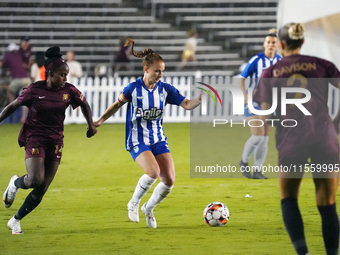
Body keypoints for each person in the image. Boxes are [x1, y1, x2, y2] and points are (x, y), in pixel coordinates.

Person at [94, 39, 203, 228]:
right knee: (153, 172)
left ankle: (149, 208)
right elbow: (116, 105)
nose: (160, 75)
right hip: (137, 139)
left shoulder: (165, 89)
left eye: (162, 71)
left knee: (169, 180)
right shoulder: (133, 89)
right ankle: (133, 203)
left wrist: (198, 100)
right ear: (146, 69)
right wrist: (101, 120)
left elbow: (186, 104)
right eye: (157, 71)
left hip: (158, 139)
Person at [255, 23, 340, 255]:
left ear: (281, 44)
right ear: (302, 42)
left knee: (289, 199)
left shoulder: (271, 72)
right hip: (325, 137)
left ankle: (303, 254)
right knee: (327, 203)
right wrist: (337, 123)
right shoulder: (322, 64)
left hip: (292, 140)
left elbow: (264, 114)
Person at [1, 46, 97, 234]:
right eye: (62, 75)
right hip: (35, 137)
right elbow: (13, 106)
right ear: (50, 74)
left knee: (43, 187)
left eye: (66, 75)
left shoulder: (69, 90)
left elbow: (84, 104)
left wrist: (91, 125)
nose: (65, 79)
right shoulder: (34, 90)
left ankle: (15, 220)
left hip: (55, 140)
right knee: (35, 179)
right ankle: (15, 184)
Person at [238, 29, 282, 179]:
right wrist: (244, 95)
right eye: (268, 42)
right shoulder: (256, 60)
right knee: (257, 136)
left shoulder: (280, 61)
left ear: (277, 45)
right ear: (264, 44)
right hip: (253, 102)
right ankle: (243, 162)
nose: (270, 45)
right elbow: (241, 78)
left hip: (270, 103)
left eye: (273, 43)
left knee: (264, 138)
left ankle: (257, 171)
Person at [0, 42, 32, 123]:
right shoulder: (20, 54)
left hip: (17, 79)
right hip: (26, 79)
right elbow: (27, 64)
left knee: (9, 91)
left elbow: (1, 64)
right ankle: (23, 118)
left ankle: (13, 106)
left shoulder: (8, 55)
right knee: (25, 98)